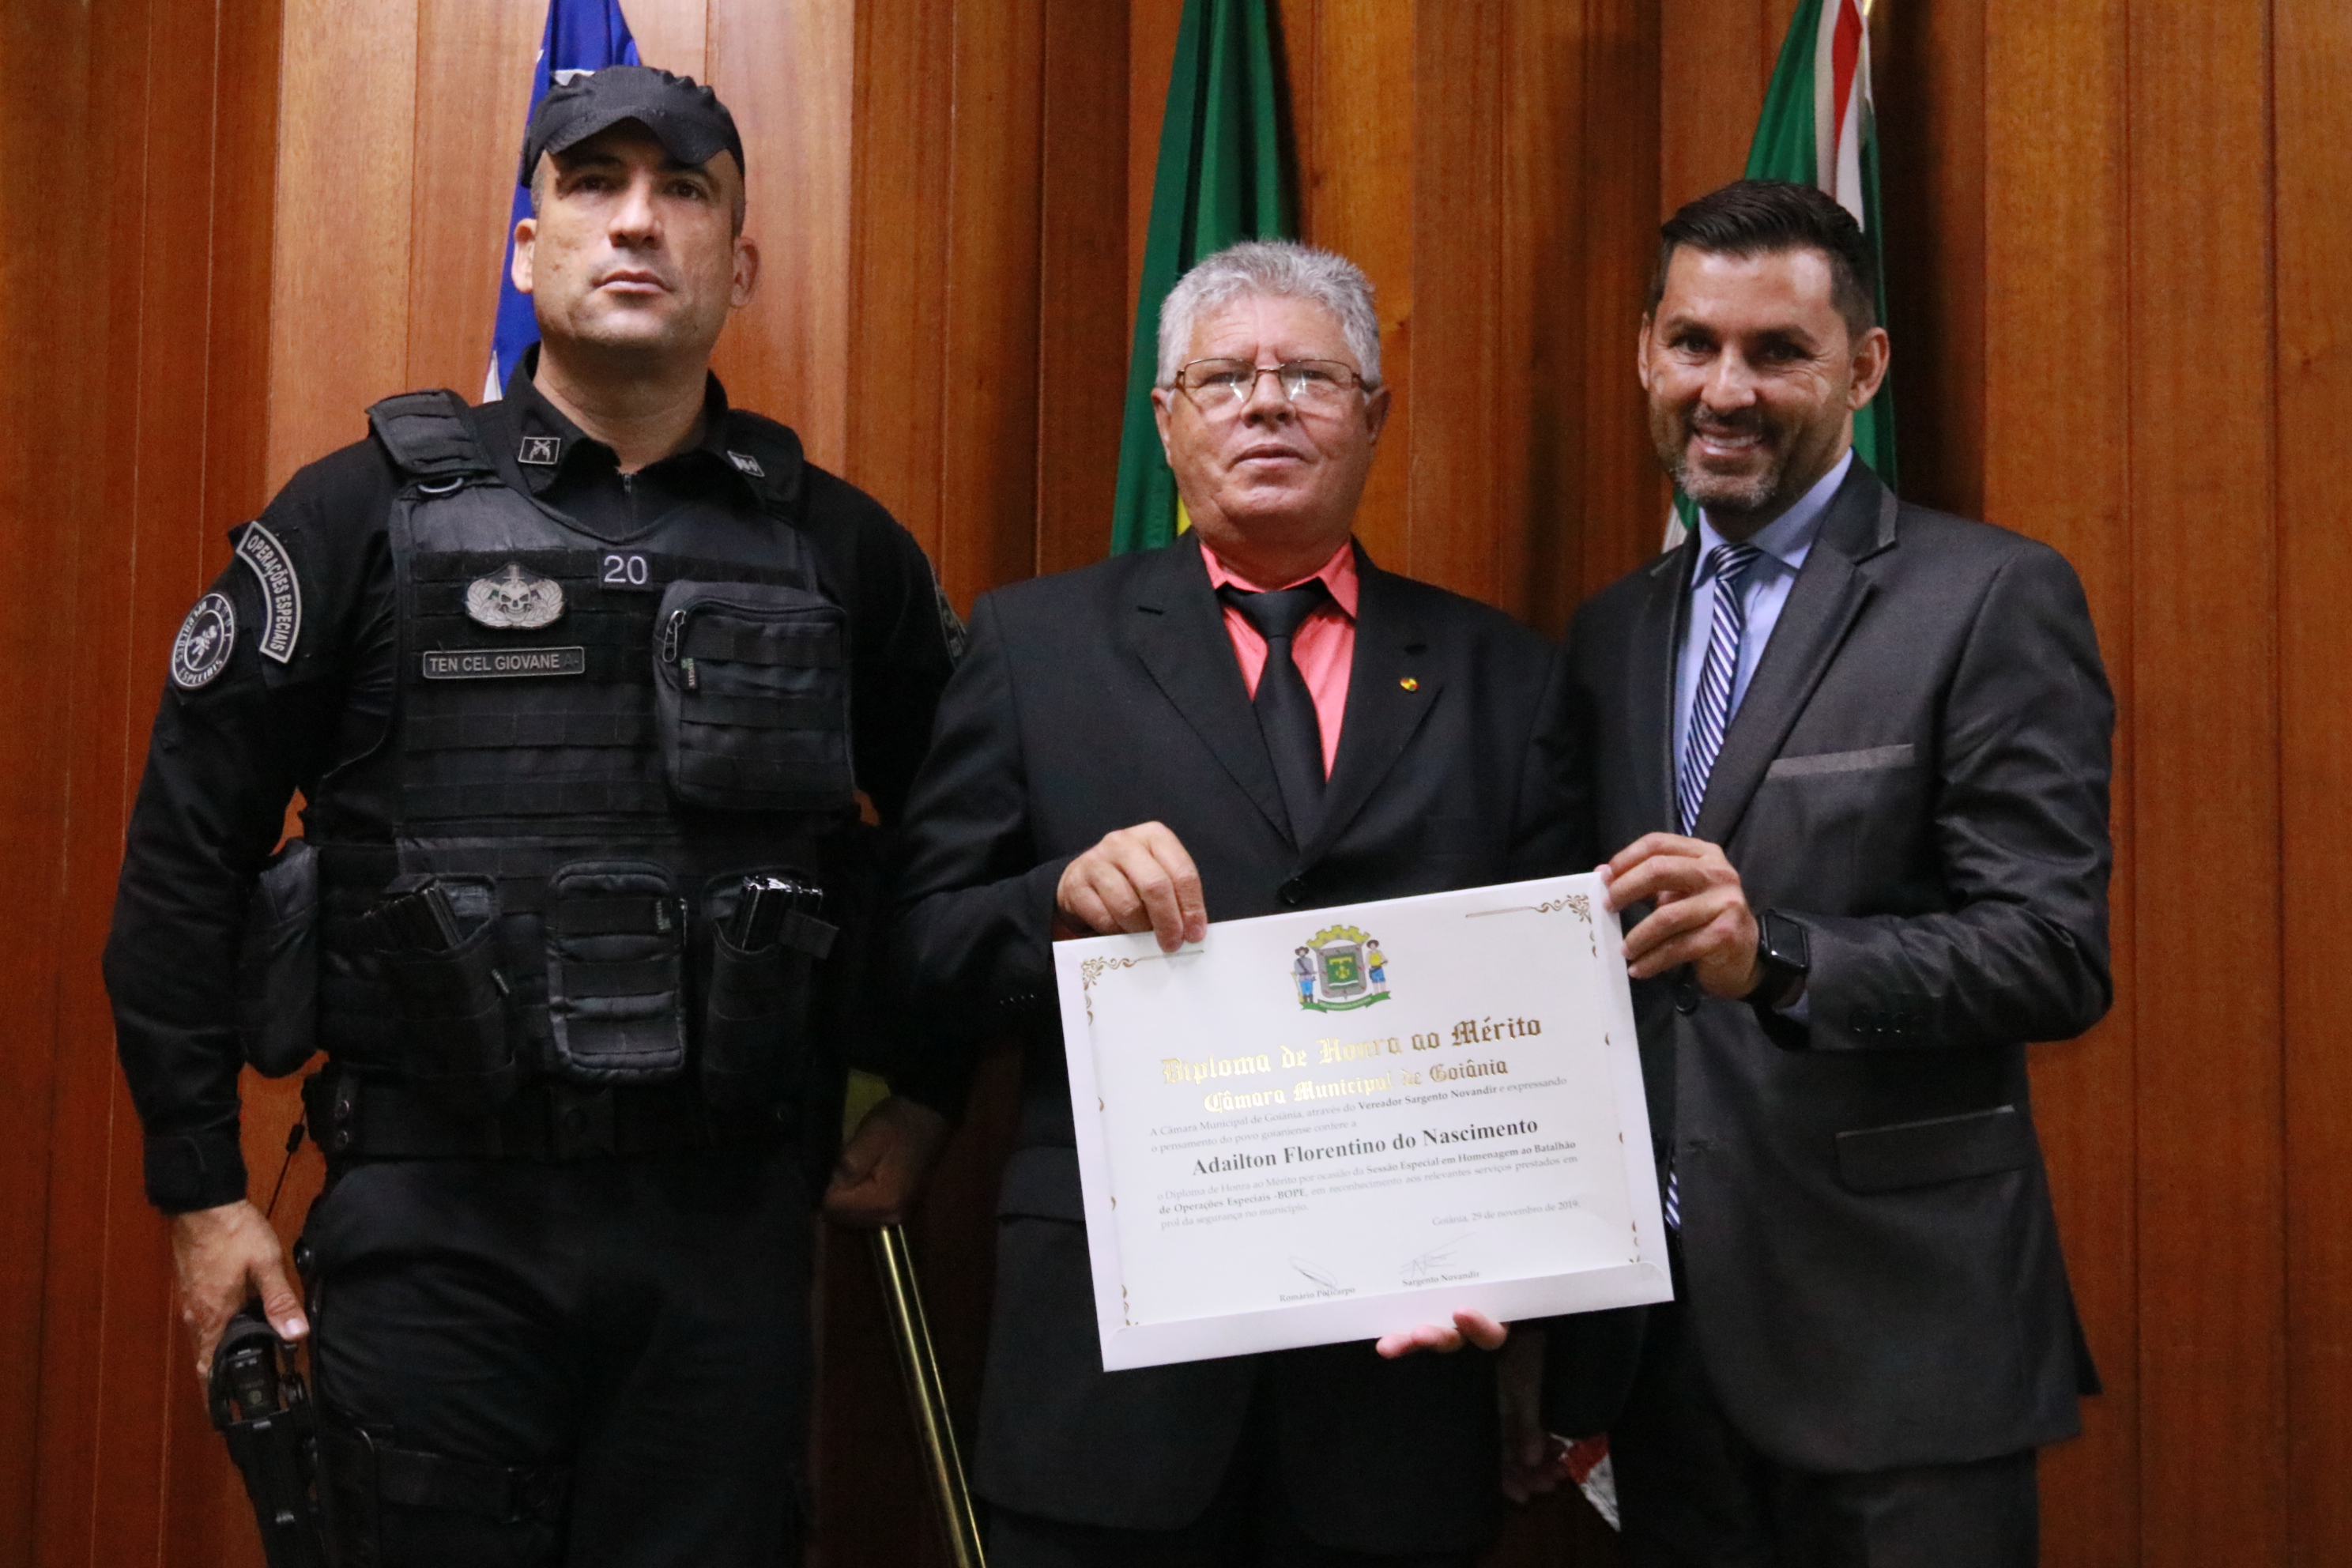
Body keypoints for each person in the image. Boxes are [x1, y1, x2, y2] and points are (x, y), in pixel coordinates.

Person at [103, 66, 955, 1566]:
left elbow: (955, 842)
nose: (637, 223)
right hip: (436, 1226)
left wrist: (930, 1091)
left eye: (684, 191)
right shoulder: (354, 518)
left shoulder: (840, 549)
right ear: (527, 245)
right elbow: (185, 852)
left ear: (740, 263)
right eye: (594, 184)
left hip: (725, 1230)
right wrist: (201, 1189)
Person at [874, 239, 1604, 1566]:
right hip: (1116, 1371)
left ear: (1373, 414)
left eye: (1309, 376)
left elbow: (1565, 1026)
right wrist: (1053, 903)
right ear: (1167, 420)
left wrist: (1535, 1297)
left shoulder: (1507, 676)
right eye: (1223, 379)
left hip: (1403, 1371)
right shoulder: (1034, 649)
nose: (1266, 403)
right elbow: (918, 954)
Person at [1566, 179, 2113, 1565]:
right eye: (1693, 343)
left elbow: (2052, 952)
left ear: (1863, 368)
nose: (1725, 390)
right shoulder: (1610, 632)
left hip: (1900, 1344)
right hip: (1661, 1355)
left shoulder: (1986, 597)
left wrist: (1779, 956)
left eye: (1778, 352)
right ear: (1645, 353)